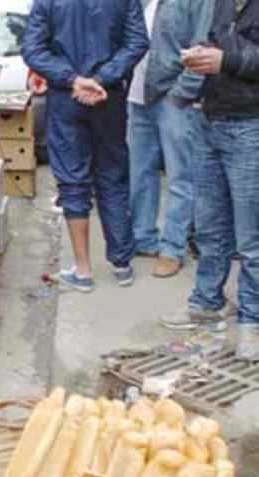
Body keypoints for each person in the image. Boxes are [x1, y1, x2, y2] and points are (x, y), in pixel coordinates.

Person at [23, 0, 149, 293]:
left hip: (68, 96)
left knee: (72, 179)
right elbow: (137, 41)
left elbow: (32, 48)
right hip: (109, 95)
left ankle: (83, 270)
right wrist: (102, 78)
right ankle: (122, 264)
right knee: (112, 174)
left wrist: (74, 79)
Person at [161, 0, 259, 359]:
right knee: (209, 227)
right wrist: (200, 58)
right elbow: (218, 45)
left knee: (252, 240)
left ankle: (253, 323)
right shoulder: (220, 3)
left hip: (251, 127)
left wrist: (225, 61)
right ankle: (206, 304)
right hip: (209, 121)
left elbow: (231, 57)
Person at [127, 0, 213, 279]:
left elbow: (203, 47)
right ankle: (143, 239)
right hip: (138, 96)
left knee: (180, 177)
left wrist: (182, 94)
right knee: (140, 172)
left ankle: (173, 249)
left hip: (173, 98)